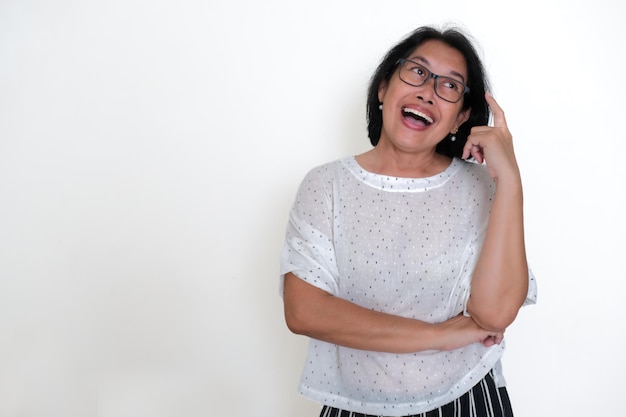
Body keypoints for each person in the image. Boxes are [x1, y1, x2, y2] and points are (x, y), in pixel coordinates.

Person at [279, 25, 537, 417]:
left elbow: (496, 314)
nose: (428, 91)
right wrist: (437, 337)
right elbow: (304, 312)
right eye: (417, 72)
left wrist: (510, 180)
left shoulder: (480, 188)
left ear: (460, 118)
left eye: (449, 86)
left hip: (467, 399)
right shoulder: (326, 185)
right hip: (356, 404)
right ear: (383, 88)